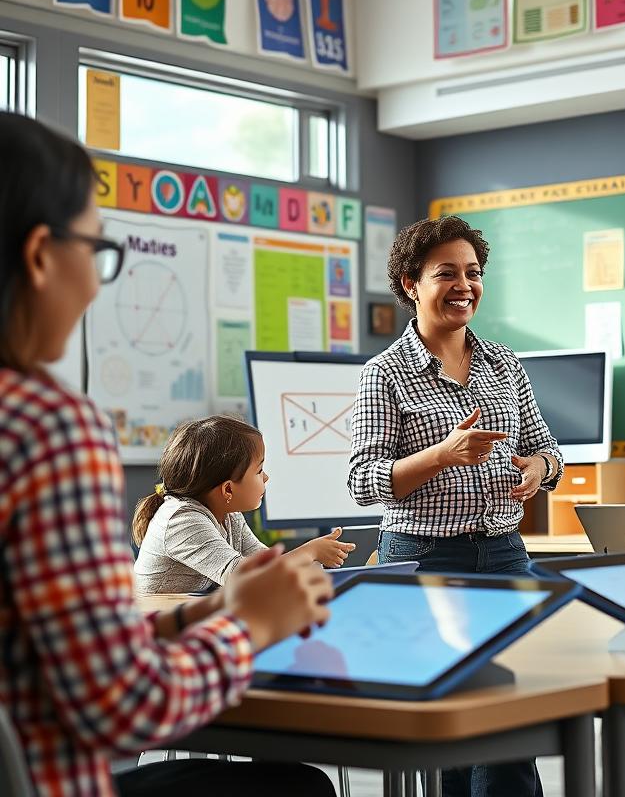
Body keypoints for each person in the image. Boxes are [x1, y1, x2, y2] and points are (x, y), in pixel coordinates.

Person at [0, 113, 334, 797]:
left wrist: (205, 614)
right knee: (297, 789)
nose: (95, 286)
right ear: (40, 256)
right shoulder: (46, 429)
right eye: (96, 252)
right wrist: (247, 626)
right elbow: (125, 705)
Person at [349, 214, 563, 797]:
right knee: (453, 729)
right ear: (410, 283)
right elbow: (364, 480)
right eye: (447, 273)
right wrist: (440, 456)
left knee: (512, 721)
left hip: (503, 554)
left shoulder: (504, 364)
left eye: (474, 273)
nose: (464, 285)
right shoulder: (384, 374)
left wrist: (537, 470)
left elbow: (547, 450)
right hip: (424, 560)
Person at [133, 415, 355, 595]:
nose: (266, 477)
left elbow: (264, 562)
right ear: (228, 489)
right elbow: (242, 576)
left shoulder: (229, 515)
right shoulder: (182, 520)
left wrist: (312, 561)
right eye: (259, 471)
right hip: (153, 627)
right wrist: (309, 552)